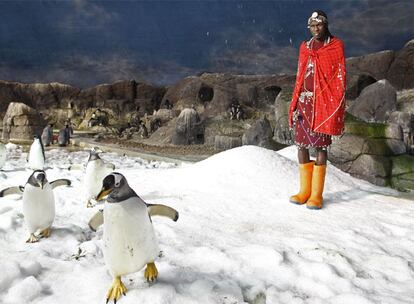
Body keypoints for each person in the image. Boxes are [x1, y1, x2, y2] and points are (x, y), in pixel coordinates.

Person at [288, 11, 346, 210]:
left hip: (322, 103)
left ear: (325, 25)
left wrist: (333, 103)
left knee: (320, 147)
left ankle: (316, 195)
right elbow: (300, 74)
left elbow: (339, 78)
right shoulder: (305, 47)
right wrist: (295, 101)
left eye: (319, 25)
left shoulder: (335, 46)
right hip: (304, 102)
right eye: (312, 26)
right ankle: (304, 191)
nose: (315, 29)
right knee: (301, 145)